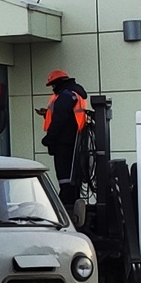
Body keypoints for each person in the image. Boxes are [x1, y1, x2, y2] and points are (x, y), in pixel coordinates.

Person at [41, 69, 91, 211]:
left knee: (66, 178)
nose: (53, 89)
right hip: (73, 140)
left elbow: (60, 118)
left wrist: (50, 138)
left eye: (53, 85)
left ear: (58, 83)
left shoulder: (66, 95)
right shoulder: (74, 94)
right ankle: (70, 203)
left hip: (65, 142)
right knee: (72, 178)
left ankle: (65, 207)